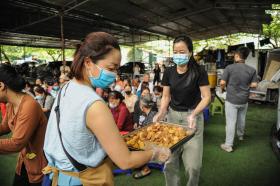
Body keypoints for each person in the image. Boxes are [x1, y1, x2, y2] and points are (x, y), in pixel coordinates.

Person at [43, 32, 170, 186]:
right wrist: (155, 153)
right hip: (84, 179)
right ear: (88, 62)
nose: (114, 74)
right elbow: (125, 161)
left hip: (63, 178)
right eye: (111, 68)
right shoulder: (94, 104)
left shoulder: (66, 87)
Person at [153, 35, 211, 186]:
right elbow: (166, 96)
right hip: (172, 118)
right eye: (175, 52)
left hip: (192, 119)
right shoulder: (169, 72)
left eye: (182, 51)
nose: (178, 55)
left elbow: (206, 97)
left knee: (193, 166)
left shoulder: (199, 71)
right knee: (169, 161)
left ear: (190, 52)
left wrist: (193, 114)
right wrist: (161, 112)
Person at [0, 64, 47, 186]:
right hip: (24, 163)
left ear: (1, 86)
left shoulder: (28, 106)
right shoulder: (11, 104)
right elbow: (5, 127)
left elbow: (17, 143)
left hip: (38, 167)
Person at [220, 46, 258, 152]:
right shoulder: (252, 70)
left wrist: (222, 89)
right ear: (245, 57)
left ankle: (228, 145)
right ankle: (240, 136)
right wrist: (246, 85)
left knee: (231, 122)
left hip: (232, 100)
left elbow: (222, 83)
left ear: (237, 56)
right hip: (244, 100)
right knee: (241, 119)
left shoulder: (229, 68)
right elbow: (254, 84)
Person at [133, 94, 158, 179]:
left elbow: (150, 135)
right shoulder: (152, 114)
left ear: (143, 106)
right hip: (152, 141)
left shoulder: (152, 116)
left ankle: (145, 168)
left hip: (153, 144)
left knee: (134, 145)